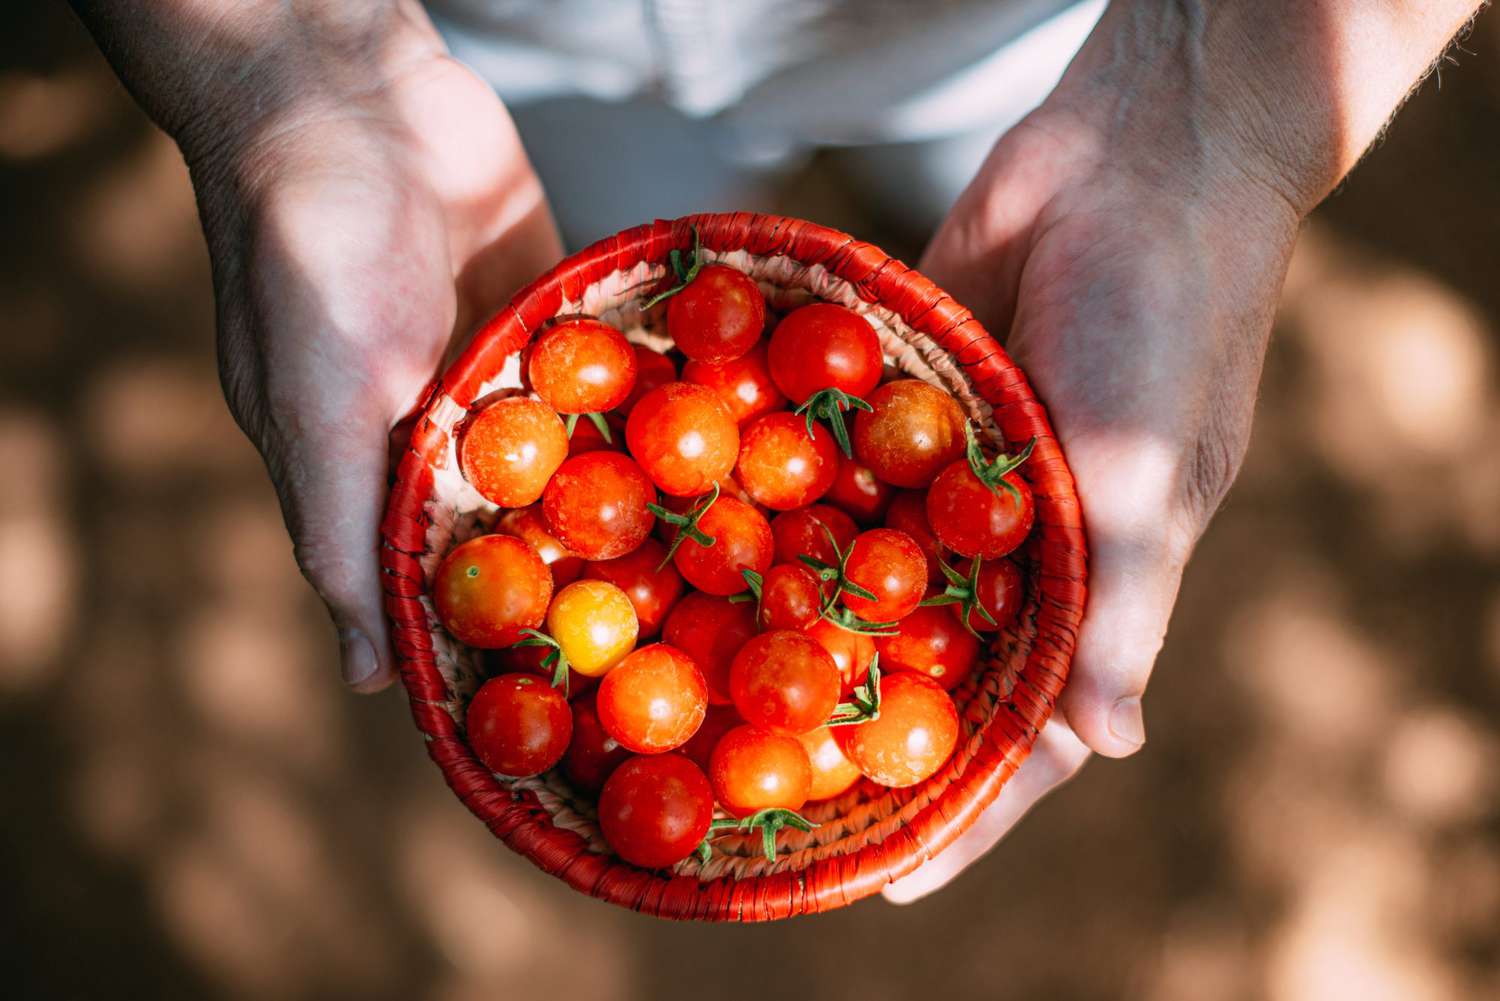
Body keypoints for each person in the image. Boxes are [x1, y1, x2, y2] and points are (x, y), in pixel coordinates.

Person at [68, 0, 1486, 903]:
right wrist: (286, 59)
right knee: (599, 198)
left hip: (1016, 37)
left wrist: (1206, 96)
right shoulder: (709, 575)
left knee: (984, 180)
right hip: (494, 40)